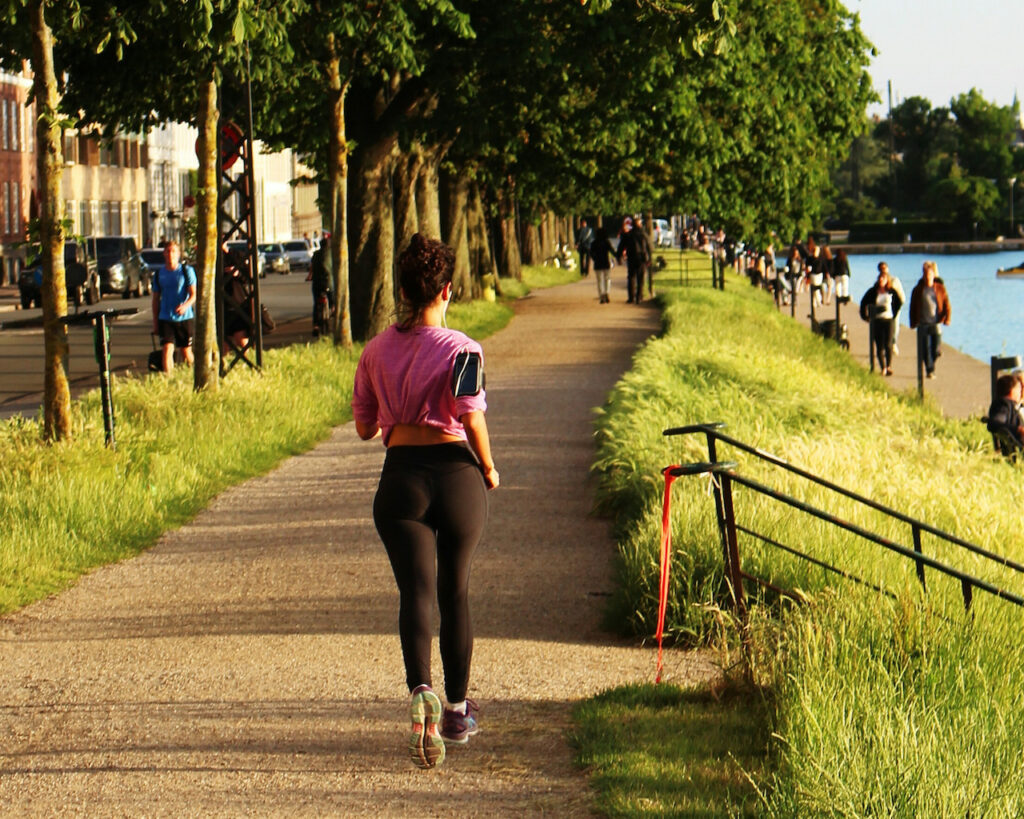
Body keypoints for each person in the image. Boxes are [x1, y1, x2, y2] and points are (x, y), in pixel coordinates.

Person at [352, 233, 498, 770]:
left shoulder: (374, 351)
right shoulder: (463, 349)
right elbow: (470, 415)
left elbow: (366, 428)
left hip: (401, 480)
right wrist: (488, 468)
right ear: (446, 290)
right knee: (453, 589)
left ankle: (421, 693)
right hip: (455, 476)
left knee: (414, 592)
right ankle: (458, 714)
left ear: (403, 291)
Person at [151, 240, 196, 372]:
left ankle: (192, 375)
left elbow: (193, 294)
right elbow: (155, 299)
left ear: (179, 254)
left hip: (184, 318)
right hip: (165, 317)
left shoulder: (186, 271)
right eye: (168, 251)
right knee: (167, 349)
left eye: (173, 251)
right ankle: (168, 379)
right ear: (164, 254)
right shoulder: (159, 274)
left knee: (186, 351)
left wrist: (185, 306)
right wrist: (155, 323)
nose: (170, 254)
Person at [909, 260, 951, 379]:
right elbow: (912, 307)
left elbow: (947, 304)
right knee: (926, 349)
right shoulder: (918, 289)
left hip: (936, 322)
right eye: (926, 275)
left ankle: (932, 363)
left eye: (930, 275)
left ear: (933, 276)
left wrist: (947, 318)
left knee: (936, 350)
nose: (928, 278)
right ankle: (930, 370)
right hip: (923, 323)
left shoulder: (940, 288)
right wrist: (913, 322)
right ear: (923, 276)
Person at [859, 265, 902, 376]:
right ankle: (882, 367)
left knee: (888, 344)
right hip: (877, 320)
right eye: (880, 279)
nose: (881, 281)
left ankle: (888, 366)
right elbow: (863, 302)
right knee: (879, 346)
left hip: (888, 320)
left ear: (887, 280)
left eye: (883, 279)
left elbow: (899, 302)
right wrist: (865, 316)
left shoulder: (891, 291)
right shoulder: (873, 291)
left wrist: (894, 313)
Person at [986, 373, 1024, 453]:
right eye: (1019, 390)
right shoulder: (1004, 404)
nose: (1020, 393)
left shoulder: (1005, 405)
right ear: (1012, 390)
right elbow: (994, 423)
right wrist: (1018, 429)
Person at [616, 217, 646, 304]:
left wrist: (619, 256)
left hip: (631, 257)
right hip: (641, 258)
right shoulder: (643, 234)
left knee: (631, 277)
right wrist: (649, 258)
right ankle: (639, 297)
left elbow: (621, 246)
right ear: (640, 225)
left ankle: (631, 297)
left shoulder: (628, 235)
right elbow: (649, 246)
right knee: (640, 278)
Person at [306, 239, 333, 337]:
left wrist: (309, 277)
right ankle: (333, 310)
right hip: (328, 282)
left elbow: (312, 268)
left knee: (316, 303)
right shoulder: (331, 254)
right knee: (332, 298)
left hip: (317, 282)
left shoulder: (315, 254)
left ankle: (316, 326)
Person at [881, 262, 906, 355]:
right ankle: (885, 346)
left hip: (895, 307)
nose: (883, 270)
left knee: (895, 327)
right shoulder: (879, 282)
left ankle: (894, 344)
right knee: (885, 329)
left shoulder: (895, 280)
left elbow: (901, 295)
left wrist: (900, 304)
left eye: (884, 268)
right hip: (884, 310)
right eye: (881, 268)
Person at [589, 226, 616, 303]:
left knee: (599, 280)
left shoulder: (594, 243)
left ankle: (601, 295)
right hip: (606, 262)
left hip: (598, 263)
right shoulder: (607, 242)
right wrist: (618, 256)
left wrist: (594, 258)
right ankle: (607, 292)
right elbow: (612, 251)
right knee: (607, 279)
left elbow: (591, 253)